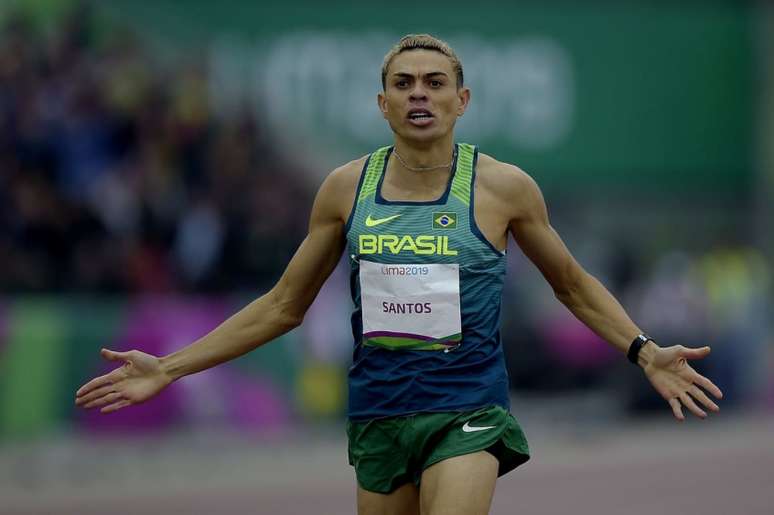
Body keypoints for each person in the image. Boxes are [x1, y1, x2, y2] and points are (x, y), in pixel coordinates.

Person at [75, 34, 724, 515]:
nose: (420, 92)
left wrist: (642, 350)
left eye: (435, 82)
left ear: (461, 100)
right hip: (380, 413)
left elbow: (573, 284)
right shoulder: (343, 189)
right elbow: (282, 305)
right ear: (382, 102)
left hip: (468, 408)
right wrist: (169, 366)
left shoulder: (502, 188)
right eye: (405, 82)